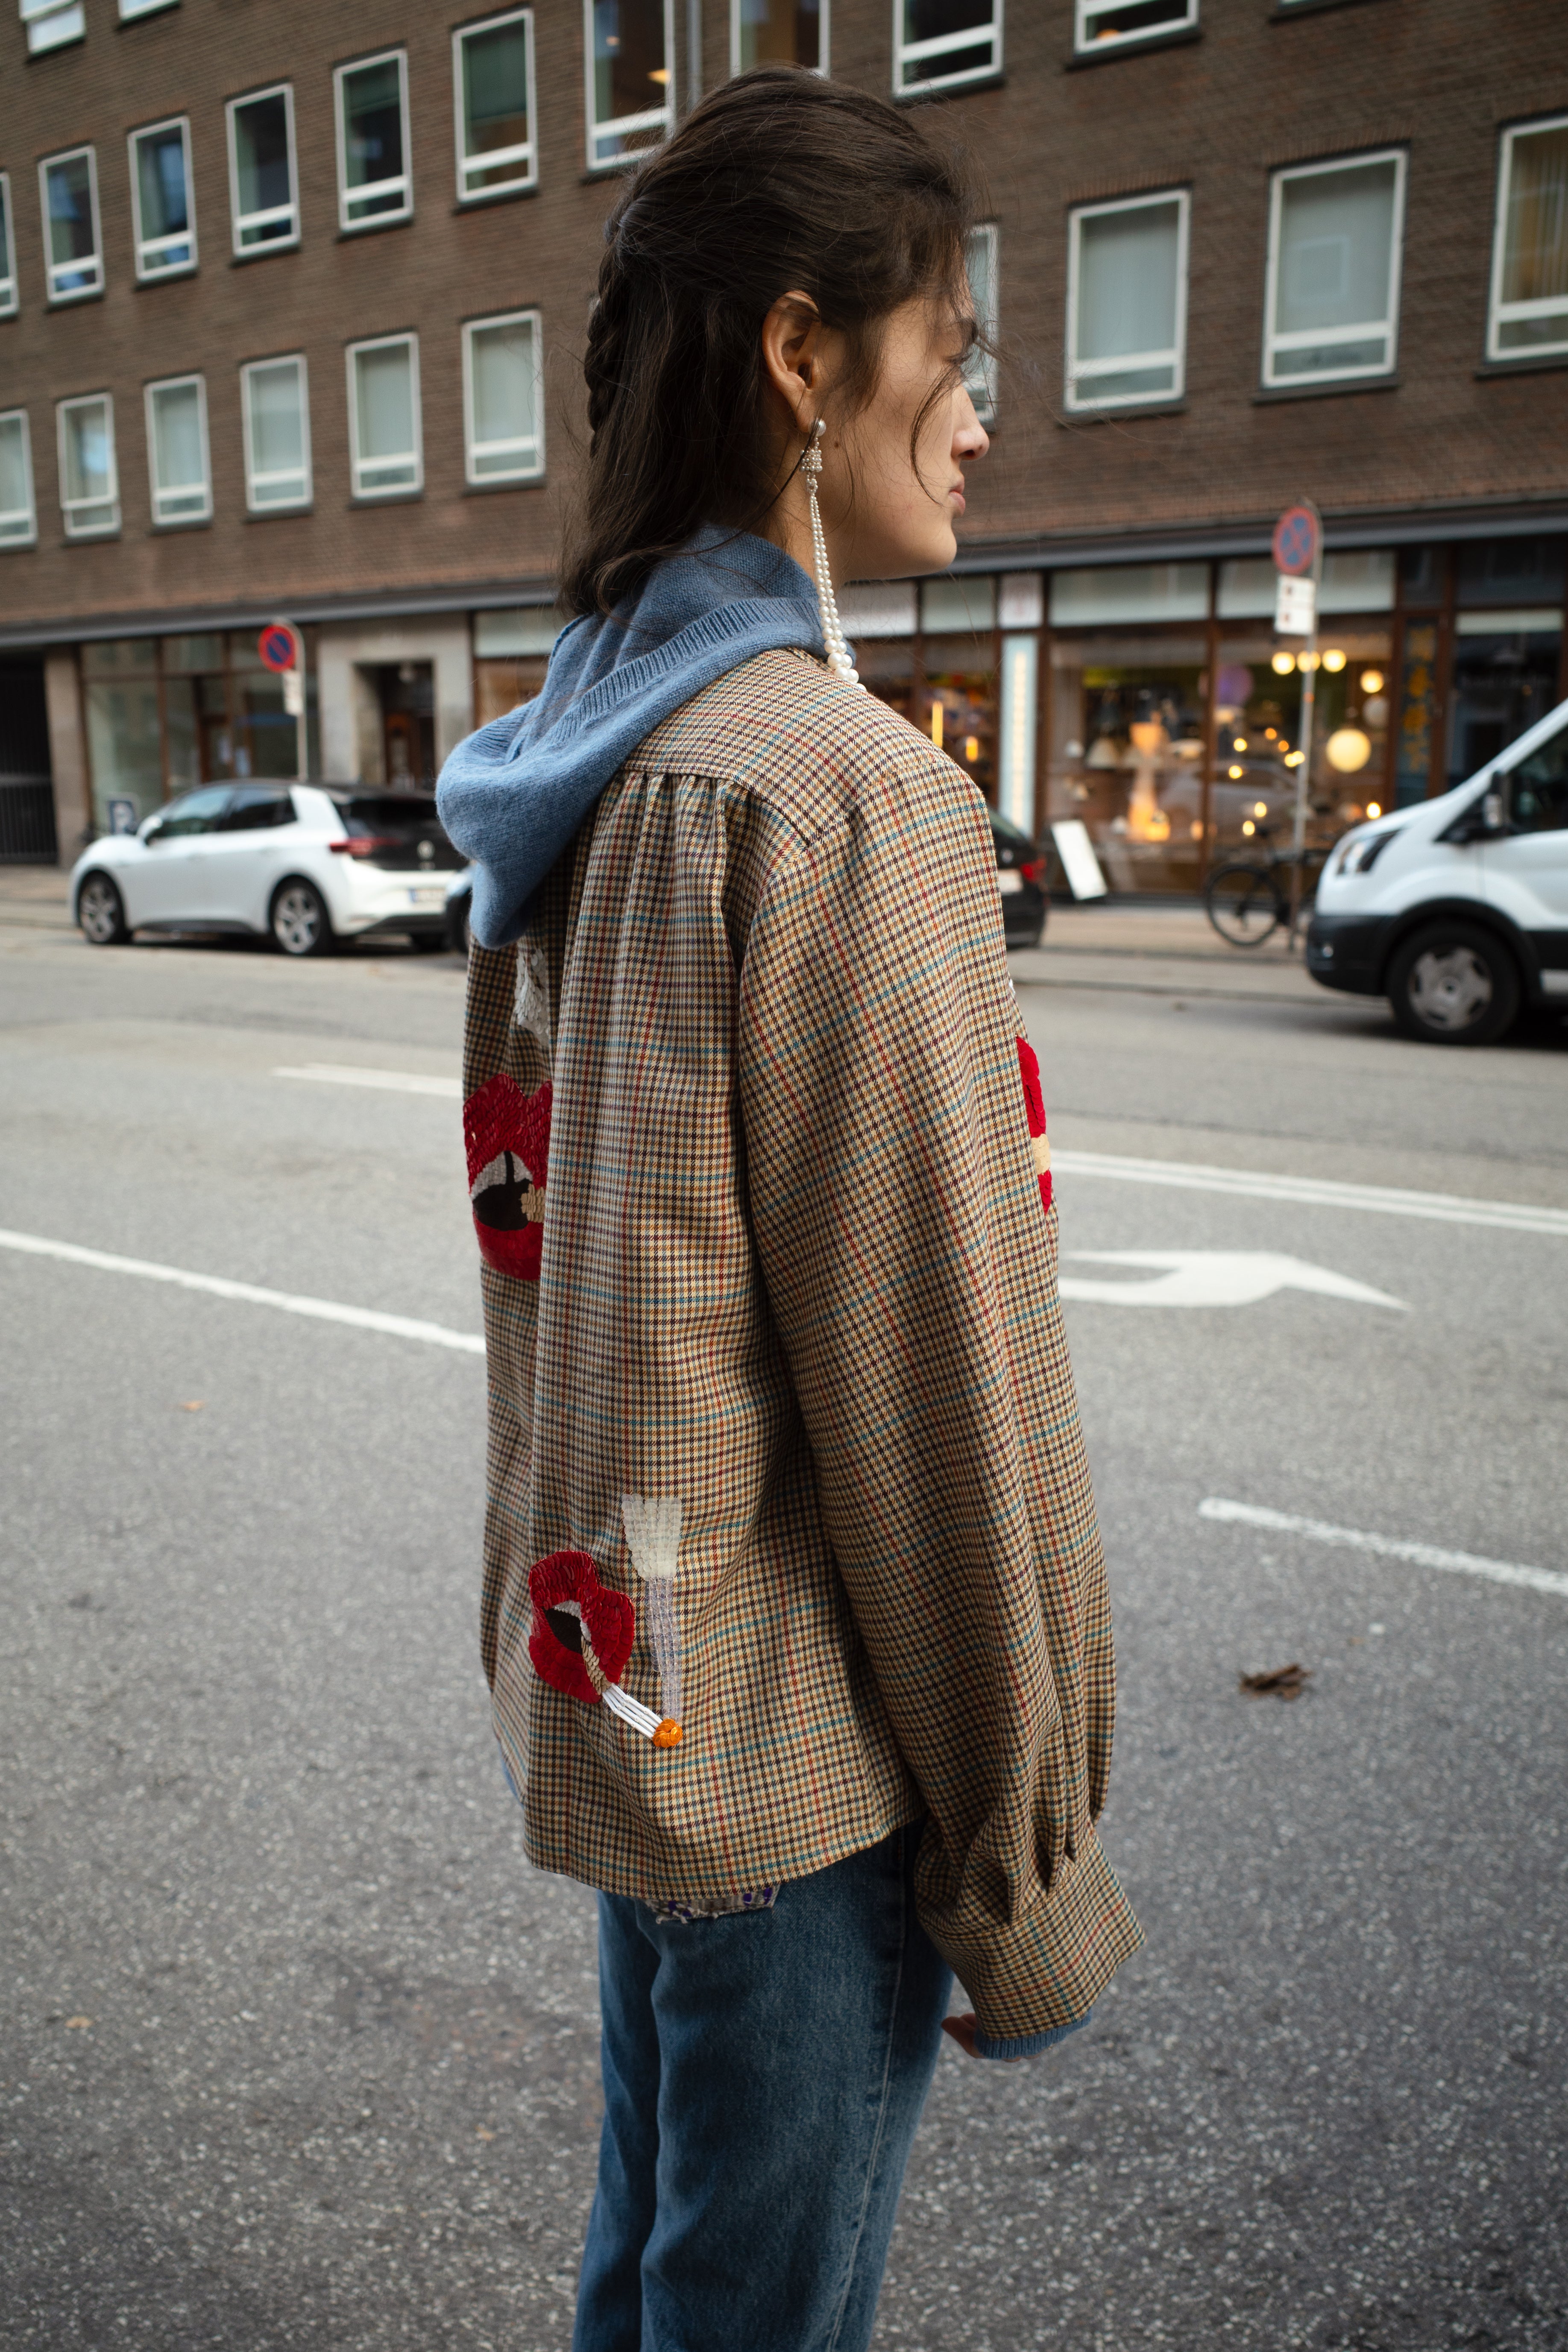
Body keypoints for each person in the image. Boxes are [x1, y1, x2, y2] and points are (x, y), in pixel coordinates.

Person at [436, 64, 1142, 2352]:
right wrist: (1016, 1854)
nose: (977, 422)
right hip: (807, 1770)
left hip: (642, 1696)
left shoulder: (596, 757)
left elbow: (590, 1310)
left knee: (652, 2271)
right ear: (801, 353)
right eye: (953, 357)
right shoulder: (840, 794)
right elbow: (944, 1394)